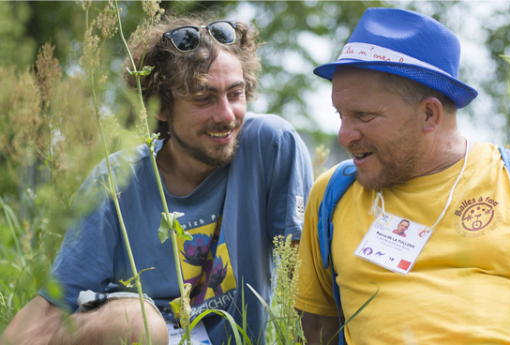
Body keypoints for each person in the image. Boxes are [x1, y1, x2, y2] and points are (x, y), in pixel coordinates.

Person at [3, 13, 313, 345]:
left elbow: (309, 283)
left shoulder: (271, 146)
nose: (226, 115)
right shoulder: (115, 181)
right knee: (140, 324)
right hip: (136, 333)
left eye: (235, 94)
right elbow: (48, 313)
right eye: (203, 98)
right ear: (160, 107)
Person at [295, 8, 510, 345]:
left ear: (429, 114)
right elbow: (317, 328)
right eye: (340, 114)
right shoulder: (331, 195)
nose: (343, 135)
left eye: (363, 116)